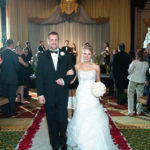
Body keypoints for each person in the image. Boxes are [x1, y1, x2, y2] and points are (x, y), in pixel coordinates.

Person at [67, 44, 117, 150]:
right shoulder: (77, 66)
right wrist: (66, 73)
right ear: (82, 53)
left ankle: (94, 141)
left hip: (92, 95)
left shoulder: (96, 67)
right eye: (85, 53)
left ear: (91, 55)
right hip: (81, 95)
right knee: (81, 115)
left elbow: (98, 81)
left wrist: (99, 90)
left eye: (88, 54)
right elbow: (71, 81)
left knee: (94, 116)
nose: (86, 56)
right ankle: (81, 138)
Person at [36, 32, 76, 150]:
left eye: (56, 40)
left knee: (62, 119)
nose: (54, 42)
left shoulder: (66, 55)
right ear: (48, 41)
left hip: (62, 94)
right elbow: (39, 77)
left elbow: (73, 72)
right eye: (51, 40)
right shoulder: (42, 56)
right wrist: (40, 94)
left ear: (58, 41)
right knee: (51, 120)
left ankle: (63, 143)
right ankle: (54, 144)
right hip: (48, 95)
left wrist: (64, 80)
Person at [0, 39, 20, 117]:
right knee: (12, 96)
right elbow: (18, 68)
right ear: (12, 45)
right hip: (12, 78)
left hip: (3, 79)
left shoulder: (1, 54)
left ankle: (4, 111)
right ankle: (11, 112)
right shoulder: (14, 55)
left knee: (4, 95)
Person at [127, 48, 148, 116]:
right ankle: (138, 111)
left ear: (137, 54)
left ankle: (130, 111)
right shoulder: (146, 63)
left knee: (130, 95)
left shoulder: (134, 62)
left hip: (133, 80)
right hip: (142, 81)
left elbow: (129, 71)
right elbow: (146, 72)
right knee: (140, 96)